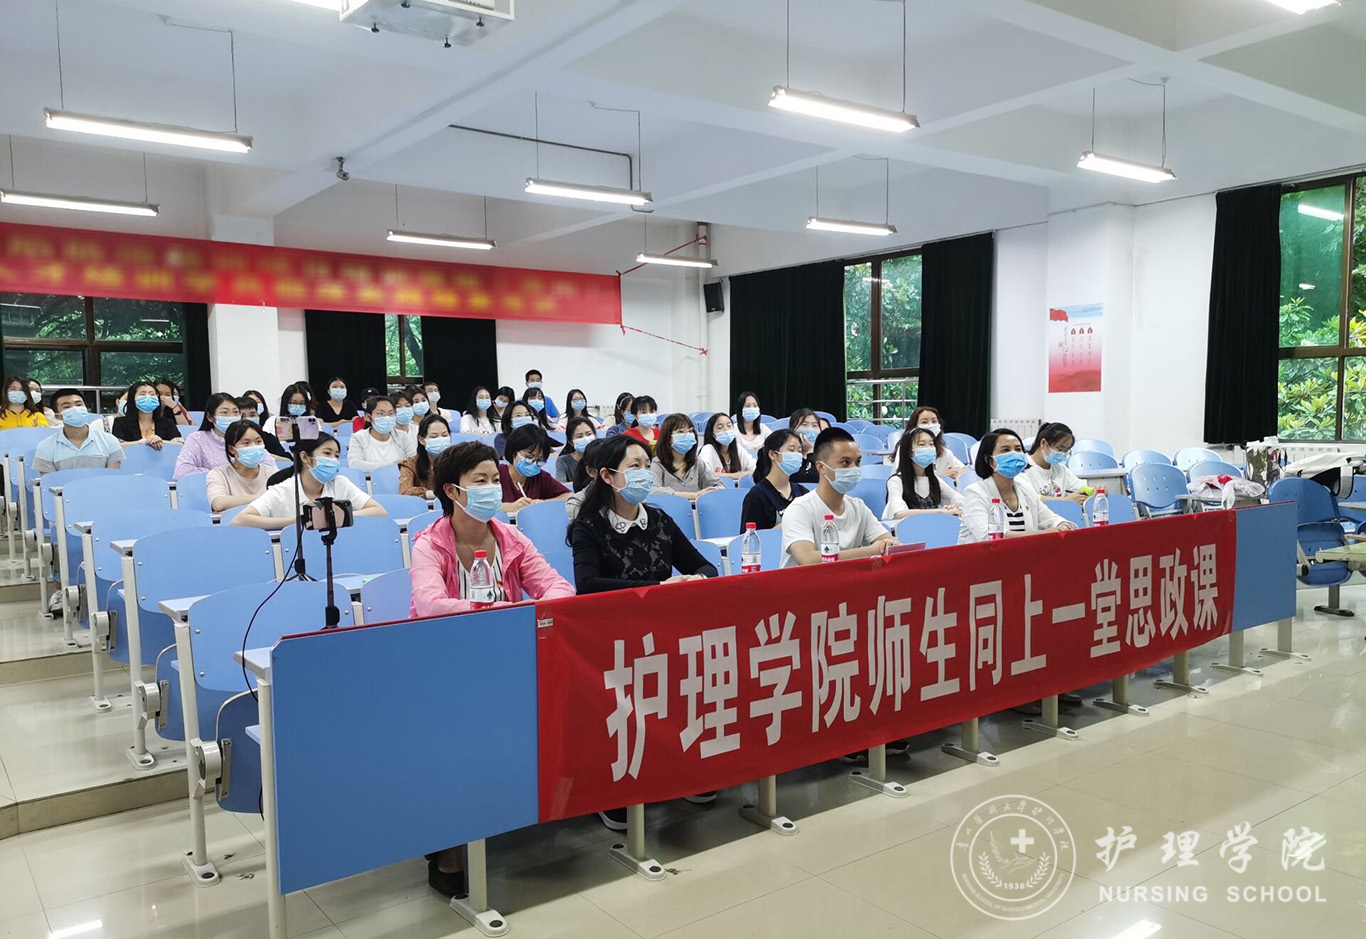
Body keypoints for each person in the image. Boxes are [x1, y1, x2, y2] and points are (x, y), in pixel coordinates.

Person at [408, 439, 573, 895]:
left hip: (506, 656)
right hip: (443, 664)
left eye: (493, 480)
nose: (490, 490)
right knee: (455, 737)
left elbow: (558, 588)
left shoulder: (512, 538)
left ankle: (530, 809)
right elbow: (430, 604)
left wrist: (529, 612)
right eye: (478, 481)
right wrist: (496, 612)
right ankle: (448, 844)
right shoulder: (429, 544)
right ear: (452, 491)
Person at [568, 433, 719, 593]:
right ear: (607, 476)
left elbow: (706, 567)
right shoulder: (587, 527)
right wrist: (658, 587)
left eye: (647, 466)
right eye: (635, 466)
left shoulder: (660, 520)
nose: (644, 473)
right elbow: (587, 584)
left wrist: (698, 578)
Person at [782, 427, 894, 567]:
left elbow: (888, 544)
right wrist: (870, 551)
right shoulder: (800, 509)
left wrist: (892, 545)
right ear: (821, 467)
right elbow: (807, 559)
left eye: (858, 462)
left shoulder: (858, 507)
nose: (854, 469)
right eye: (845, 462)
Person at [233, 434, 387, 530]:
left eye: (336, 456)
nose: (333, 460)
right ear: (305, 457)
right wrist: (295, 521)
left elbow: (379, 511)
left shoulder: (340, 483)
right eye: (327, 453)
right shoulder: (282, 490)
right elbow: (239, 521)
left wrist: (334, 516)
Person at [959, 428, 1077, 544]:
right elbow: (988, 536)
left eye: (1018, 449)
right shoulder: (975, 493)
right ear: (989, 460)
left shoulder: (1025, 489)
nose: (1014, 454)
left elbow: (1051, 519)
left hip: (1021, 554)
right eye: (1005, 450)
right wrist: (1041, 534)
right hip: (983, 555)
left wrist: (1062, 525)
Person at [33, 390, 125, 474]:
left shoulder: (110, 441)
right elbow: (49, 483)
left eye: (79, 405)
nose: (75, 409)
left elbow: (112, 479)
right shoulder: (46, 447)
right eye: (67, 407)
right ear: (58, 416)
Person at [884, 425, 964, 520]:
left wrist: (955, 509)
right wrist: (940, 512)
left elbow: (960, 501)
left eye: (931, 444)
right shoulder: (896, 481)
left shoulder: (935, 480)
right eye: (922, 444)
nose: (928, 448)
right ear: (910, 453)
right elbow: (899, 513)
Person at [740, 429, 808, 531]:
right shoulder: (756, 496)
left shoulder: (802, 493)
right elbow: (748, 537)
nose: (797, 455)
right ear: (772, 454)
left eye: (799, 451)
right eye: (791, 450)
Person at [205, 421, 280, 511]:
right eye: (246, 443)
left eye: (258, 441)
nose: (254, 447)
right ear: (231, 449)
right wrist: (263, 497)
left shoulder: (271, 472)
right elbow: (218, 504)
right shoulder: (218, 474)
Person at [498, 424, 570, 514]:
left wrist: (544, 503)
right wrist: (511, 507)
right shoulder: (496, 473)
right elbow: (482, 505)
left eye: (539, 460)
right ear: (513, 452)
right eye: (529, 457)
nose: (533, 463)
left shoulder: (541, 477)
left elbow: (569, 496)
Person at [172, 394, 243, 480]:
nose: (231, 417)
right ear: (210, 417)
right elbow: (181, 472)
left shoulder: (248, 437)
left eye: (235, 412)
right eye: (224, 412)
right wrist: (216, 474)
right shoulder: (197, 439)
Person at [651, 413, 723, 498]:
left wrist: (713, 490)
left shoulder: (697, 462)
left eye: (690, 431)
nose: (688, 435)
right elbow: (653, 490)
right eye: (681, 432)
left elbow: (719, 485)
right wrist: (692, 495)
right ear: (668, 437)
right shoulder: (657, 464)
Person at [1022, 422, 1091, 505]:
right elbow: (1029, 497)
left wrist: (1095, 490)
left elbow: (1082, 487)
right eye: (1060, 449)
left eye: (1065, 451)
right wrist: (1065, 500)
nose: (1062, 454)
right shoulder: (1023, 467)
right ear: (1043, 443)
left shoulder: (1060, 469)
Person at [887, 407, 966, 477]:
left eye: (934, 421)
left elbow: (965, 470)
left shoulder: (944, 452)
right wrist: (941, 476)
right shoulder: (905, 449)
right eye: (924, 422)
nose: (930, 425)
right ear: (914, 426)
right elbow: (902, 477)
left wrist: (955, 473)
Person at [347, 394, 417, 471]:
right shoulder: (358, 438)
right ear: (368, 417)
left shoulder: (402, 436)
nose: (387, 417)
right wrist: (392, 465)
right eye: (381, 414)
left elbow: (414, 462)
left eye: (391, 413)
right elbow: (355, 464)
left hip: (401, 477)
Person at [110, 381, 178, 449]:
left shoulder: (168, 423)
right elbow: (116, 445)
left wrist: (161, 441)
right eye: (142, 394)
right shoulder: (121, 423)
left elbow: (179, 443)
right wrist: (138, 443)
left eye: (152, 394)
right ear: (133, 398)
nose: (148, 397)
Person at [399, 414, 451, 499]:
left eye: (445, 435)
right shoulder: (410, 464)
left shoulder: (457, 461)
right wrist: (431, 494)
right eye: (434, 437)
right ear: (422, 440)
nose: (440, 440)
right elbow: (404, 491)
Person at [698, 412, 755, 480]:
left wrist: (731, 475)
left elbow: (756, 469)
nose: (726, 429)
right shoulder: (708, 450)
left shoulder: (739, 449)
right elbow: (704, 474)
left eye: (729, 425)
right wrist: (737, 475)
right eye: (720, 427)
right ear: (713, 434)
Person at [555, 416, 597, 484]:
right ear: (571, 442)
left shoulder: (603, 457)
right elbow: (560, 485)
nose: (586, 439)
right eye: (579, 436)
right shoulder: (563, 461)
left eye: (589, 434)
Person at [788, 408, 823, 484]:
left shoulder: (825, 453)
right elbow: (799, 478)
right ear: (793, 429)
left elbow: (818, 478)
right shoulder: (787, 453)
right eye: (804, 424)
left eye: (814, 425)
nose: (810, 429)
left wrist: (811, 451)